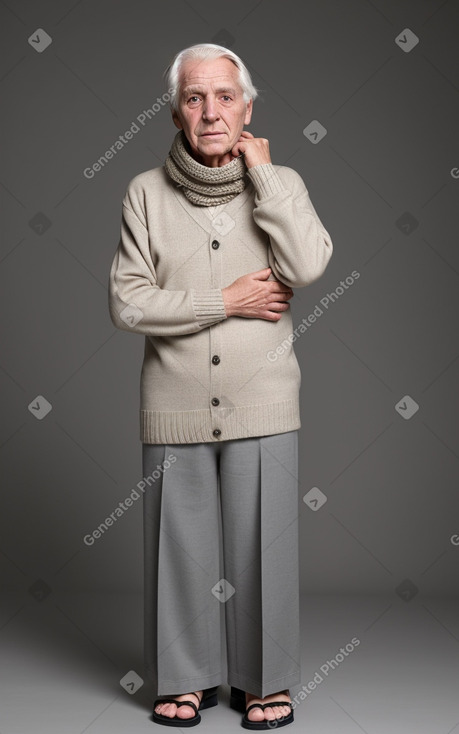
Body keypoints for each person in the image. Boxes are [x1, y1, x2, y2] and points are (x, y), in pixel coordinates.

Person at [108, 42, 333, 729]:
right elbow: (129, 303)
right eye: (195, 98)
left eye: (225, 97)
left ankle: (263, 681)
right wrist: (227, 300)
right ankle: (183, 678)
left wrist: (266, 176)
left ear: (248, 109)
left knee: (264, 548)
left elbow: (307, 262)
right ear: (175, 112)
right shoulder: (145, 193)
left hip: (263, 401)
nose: (211, 111)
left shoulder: (281, 181)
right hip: (173, 402)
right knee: (179, 547)